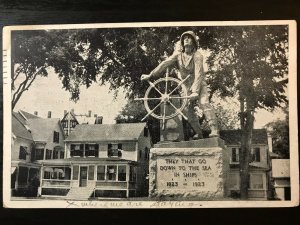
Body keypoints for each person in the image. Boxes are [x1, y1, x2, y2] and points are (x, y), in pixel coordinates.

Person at [141, 31, 219, 139]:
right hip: (185, 86)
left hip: (199, 84)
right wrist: (150, 75)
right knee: (187, 111)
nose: (186, 39)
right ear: (182, 42)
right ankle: (199, 133)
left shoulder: (197, 55)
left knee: (204, 103)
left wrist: (196, 91)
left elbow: (199, 73)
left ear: (194, 42)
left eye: (189, 38)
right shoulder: (178, 55)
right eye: (184, 38)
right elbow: (165, 64)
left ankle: (214, 130)